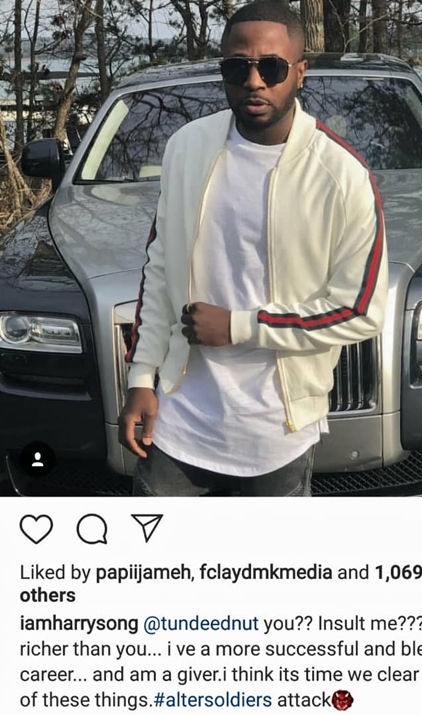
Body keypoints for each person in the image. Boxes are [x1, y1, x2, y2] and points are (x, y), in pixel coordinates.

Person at [118, 0, 388, 497]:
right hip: (178, 419)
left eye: (272, 67)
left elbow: (361, 311)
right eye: (237, 67)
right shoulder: (186, 147)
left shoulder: (342, 177)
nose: (254, 81)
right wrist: (141, 376)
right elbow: (160, 270)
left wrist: (240, 326)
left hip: (276, 432)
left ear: (300, 72)